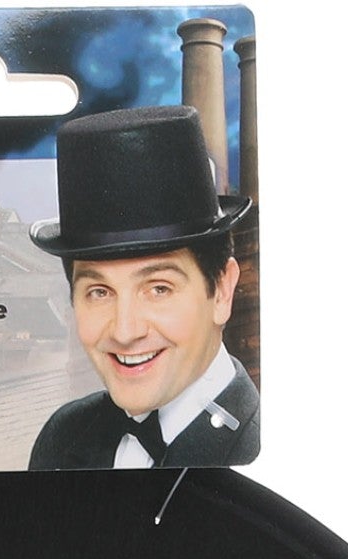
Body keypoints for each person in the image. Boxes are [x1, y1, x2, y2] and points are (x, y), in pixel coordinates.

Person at [28, 105, 258, 471]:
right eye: (99, 292)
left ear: (222, 290)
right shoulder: (62, 436)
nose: (125, 331)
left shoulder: (261, 449)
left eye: (158, 289)